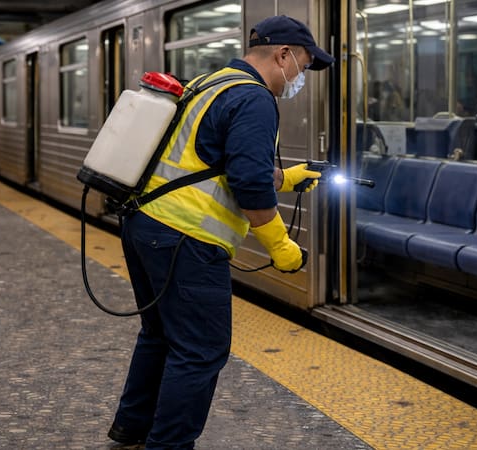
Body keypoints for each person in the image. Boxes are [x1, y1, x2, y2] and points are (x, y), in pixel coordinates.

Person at [107, 15, 334, 449]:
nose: (298, 79)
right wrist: (282, 247)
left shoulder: (211, 83)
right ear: (282, 54)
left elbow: (209, 161)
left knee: (159, 334)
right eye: (302, 67)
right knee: (200, 351)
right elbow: (247, 184)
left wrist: (286, 178)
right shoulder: (254, 98)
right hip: (185, 239)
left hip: (144, 224)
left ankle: (131, 427)